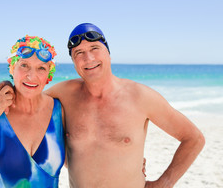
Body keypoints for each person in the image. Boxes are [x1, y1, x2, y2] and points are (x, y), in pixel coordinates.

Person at [45, 23, 205, 188]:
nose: (89, 58)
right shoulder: (64, 93)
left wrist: (165, 182)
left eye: (94, 48)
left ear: (108, 53)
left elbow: (194, 138)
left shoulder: (140, 96)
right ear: (73, 62)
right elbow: (26, 104)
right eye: (79, 53)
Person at [0, 35, 65, 188]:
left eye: (41, 68)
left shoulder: (59, 112)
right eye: (24, 65)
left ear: (49, 74)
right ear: (12, 67)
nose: (31, 75)